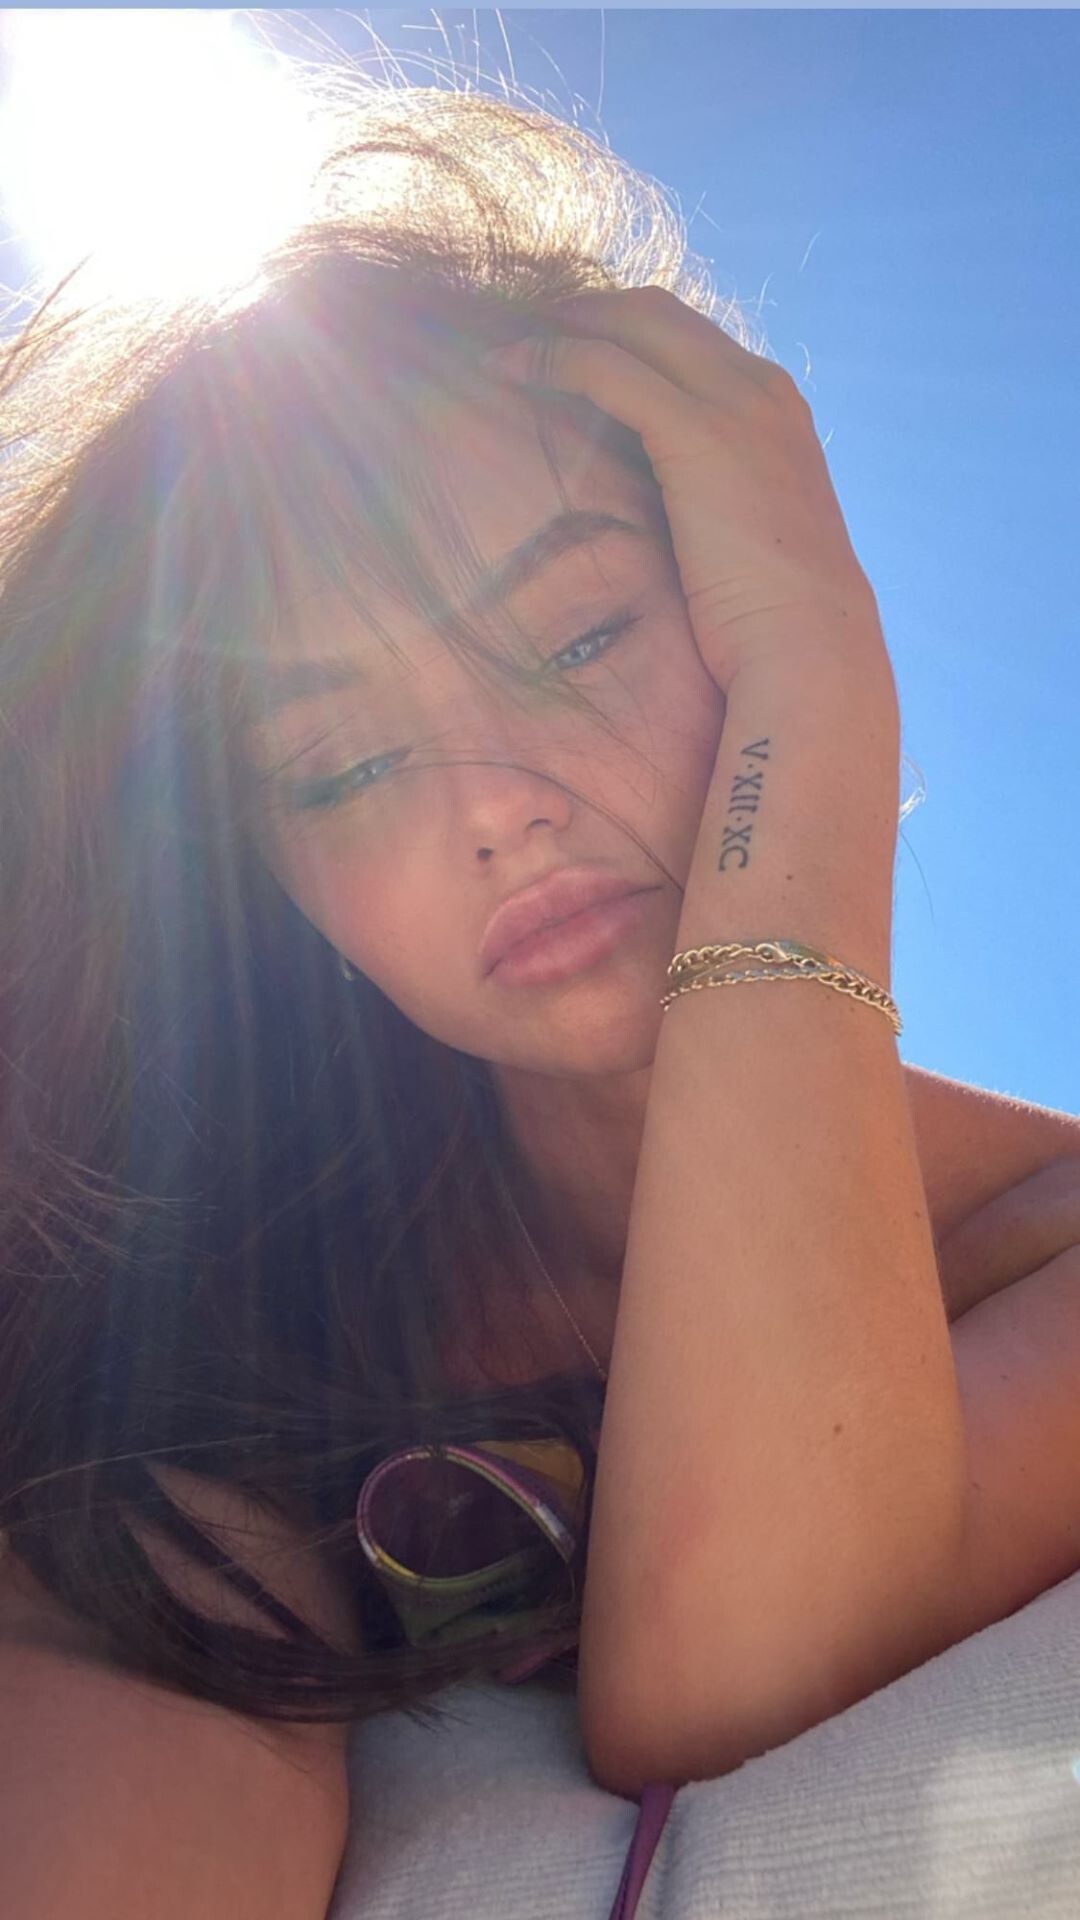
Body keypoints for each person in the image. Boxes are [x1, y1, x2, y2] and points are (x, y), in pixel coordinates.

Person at [2, 74, 1079, 1920]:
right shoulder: (224, 1274)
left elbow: (726, 1679)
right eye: (341, 765)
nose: (494, 804)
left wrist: (820, 687)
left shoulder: (1044, 1237)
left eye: (579, 634)